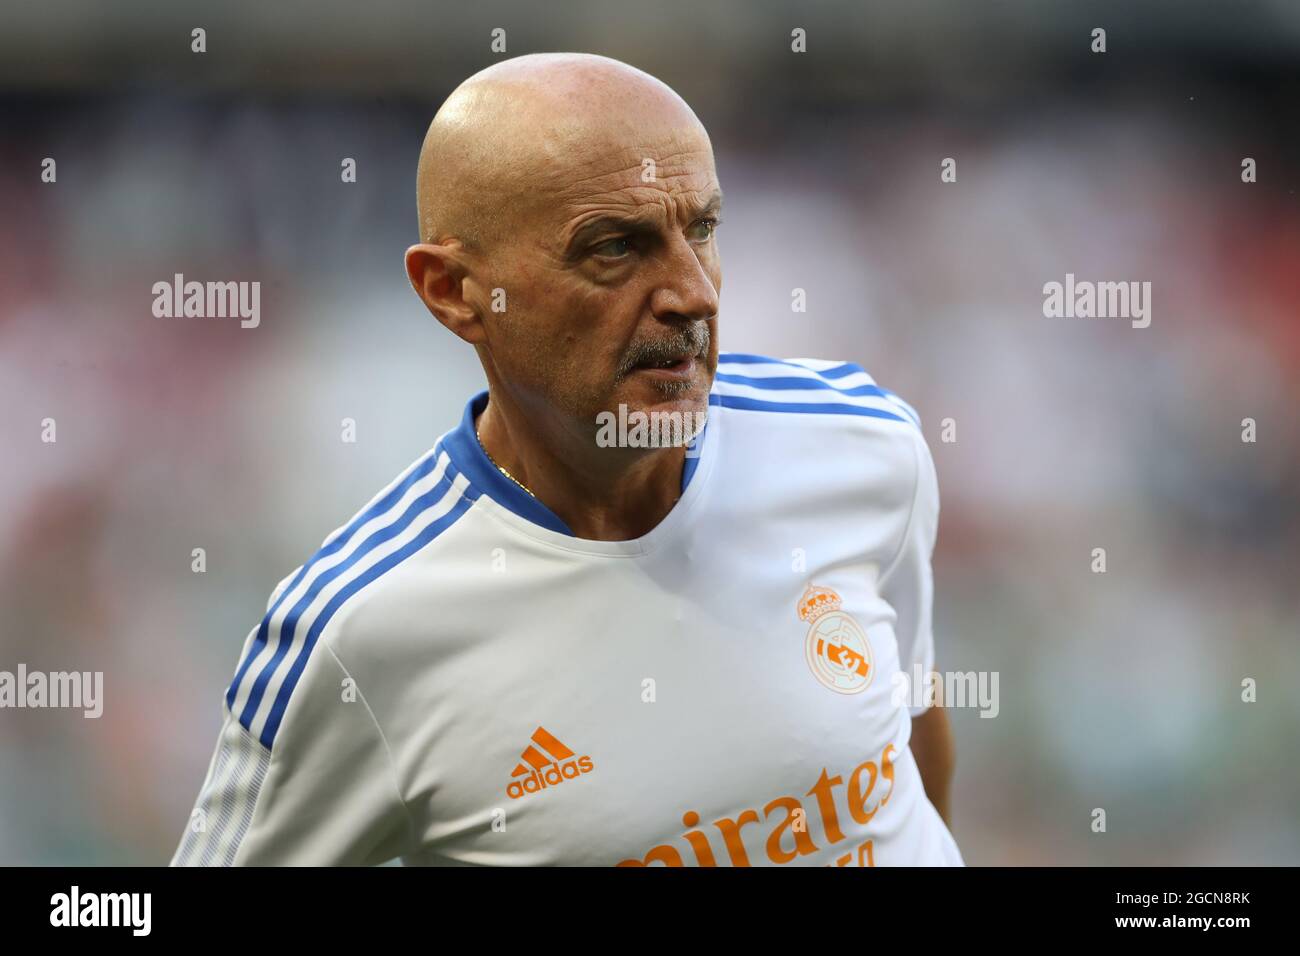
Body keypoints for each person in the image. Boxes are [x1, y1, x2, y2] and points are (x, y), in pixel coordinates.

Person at [170, 52, 961, 866]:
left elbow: (908, 742)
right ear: (452, 290)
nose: (694, 294)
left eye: (702, 229)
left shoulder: (861, 444)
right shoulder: (357, 636)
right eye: (615, 248)